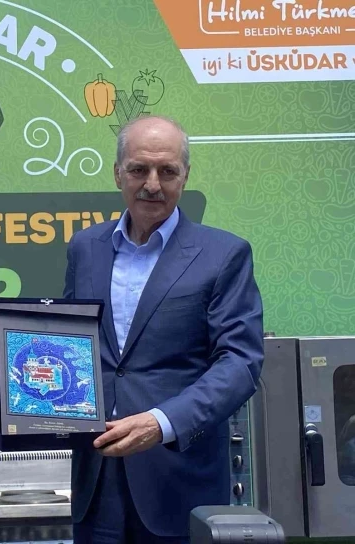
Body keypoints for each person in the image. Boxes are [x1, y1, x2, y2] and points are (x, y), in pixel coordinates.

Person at [63, 115, 264, 543]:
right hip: (93, 480)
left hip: (178, 480)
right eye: (139, 169)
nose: (152, 184)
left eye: (167, 171)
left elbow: (240, 363)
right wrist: (12, 379)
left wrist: (162, 422)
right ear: (118, 173)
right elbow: (71, 345)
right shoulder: (85, 248)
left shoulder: (224, 254)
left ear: (185, 176)